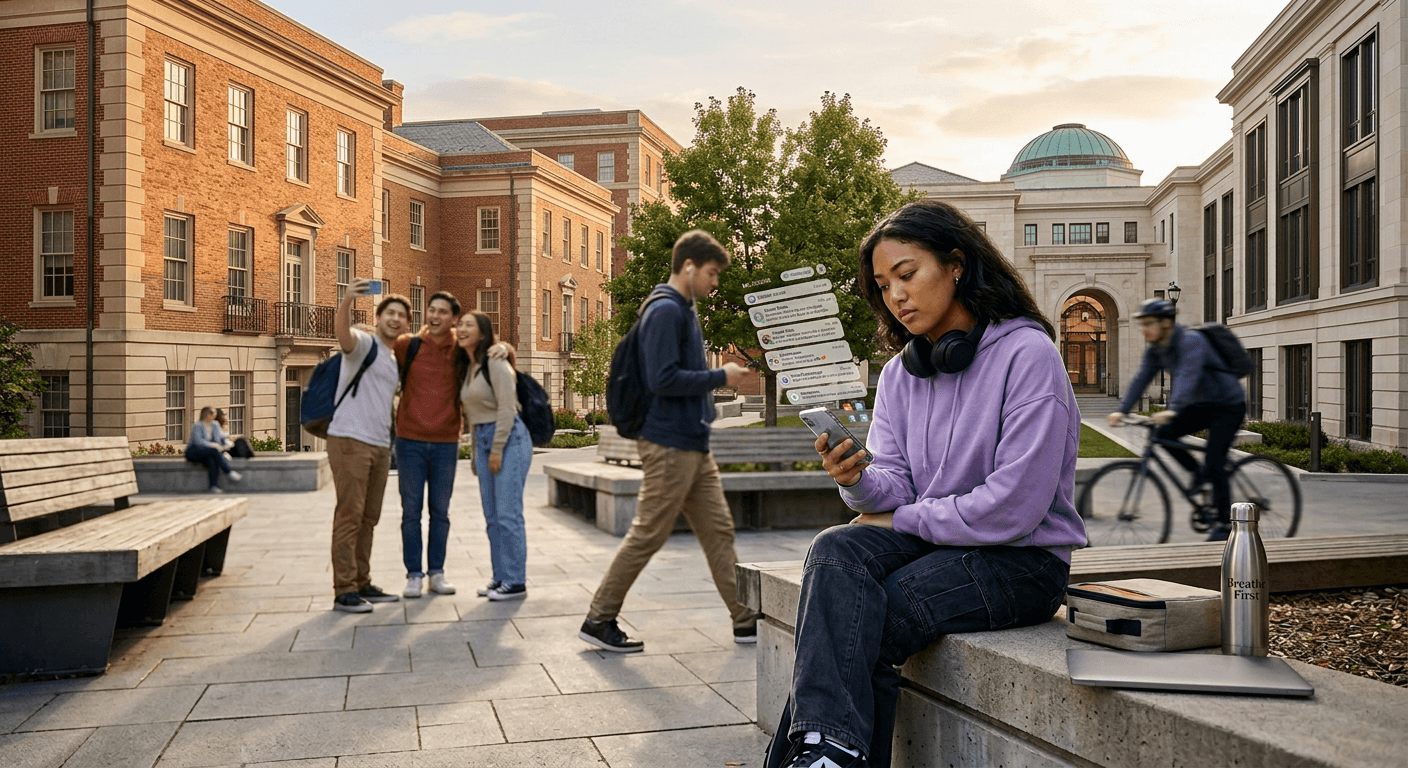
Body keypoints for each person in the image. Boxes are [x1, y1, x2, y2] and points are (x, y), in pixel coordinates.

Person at [769, 200, 1086, 768]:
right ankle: (828, 753)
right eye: (883, 284)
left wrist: (901, 518)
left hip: (1022, 561)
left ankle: (820, 755)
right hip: (938, 544)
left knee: (872, 616)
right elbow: (896, 485)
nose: (895, 296)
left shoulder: (1028, 354)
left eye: (907, 274)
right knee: (836, 548)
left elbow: (1013, 507)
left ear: (957, 264)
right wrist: (860, 482)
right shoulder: (900, 374)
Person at [577, 229, 754, 653]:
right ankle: (599, 619)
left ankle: (745, 621)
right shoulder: (665, 312)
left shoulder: (683, 309)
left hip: (691, 442)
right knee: (649, 533)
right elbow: (663, 379)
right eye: (712, 273)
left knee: (718, 531)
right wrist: (721, 377)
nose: (716, 283)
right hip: (669, 444)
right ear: (689, 267)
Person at [1108, 298, 1247, 541]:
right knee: (1163, 435)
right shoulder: (1156, 348)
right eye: (1143, 324)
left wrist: (1173, 409)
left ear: (1166, 323)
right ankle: (1197, 473)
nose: (1145, 329)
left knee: (1215, 461)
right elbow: (1142, 378)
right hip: (1202, 405)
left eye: (1149, 323)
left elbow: (1187, 374)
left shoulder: (1192, 341)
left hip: (1228, 405)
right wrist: (1123, 409)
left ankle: (1225, 524)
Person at [327, 279, 408, 613]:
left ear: (406, 323)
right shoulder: (363, 343)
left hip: (378, 446)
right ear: (378, 318)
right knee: (350, 514)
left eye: (402, 315)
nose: (395, 318)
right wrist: (346, 301)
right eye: (390, 312)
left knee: (368, 518)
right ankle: (344, 589)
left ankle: (362, 581)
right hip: (350, 439)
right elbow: (342, 335)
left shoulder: (392, 358)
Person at [394, 291, 466, 599]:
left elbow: (493, 349)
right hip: (409, 440)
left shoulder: (461, 348)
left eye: (441, 312)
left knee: (441, 511)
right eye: (431, 309)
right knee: (411, 512)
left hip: (446, 442)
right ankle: (414, 574)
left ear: (453, 319)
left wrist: (504, 349)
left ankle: (436, 573)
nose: (434, 316)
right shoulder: (407, 345)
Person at [457, 311, 533, 601]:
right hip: (485, 439)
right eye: (460, 324)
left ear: (483, 332)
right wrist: (477, 453)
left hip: (510, 438)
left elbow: (505, 409)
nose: (461, 329)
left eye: (468, 325)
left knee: (508, 515)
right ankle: (500, 576)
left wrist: (497, 449)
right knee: (492, 517)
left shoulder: (495, 363)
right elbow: (475, 416)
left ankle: (516, 582)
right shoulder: (470, 366)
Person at [186, 407, 241, 493]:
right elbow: (198, 442)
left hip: (208, 452)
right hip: (194, 451)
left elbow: (221, 436)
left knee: (211, 459)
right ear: (207, 415)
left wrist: (227, 441)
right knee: (214, 451)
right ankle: (229, 471)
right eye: (213, 414)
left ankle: (213, 486)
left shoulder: (214, 424)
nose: (214, 416)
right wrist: (213, 445)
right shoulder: (197, 425)